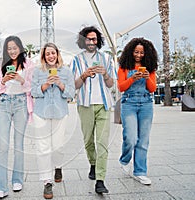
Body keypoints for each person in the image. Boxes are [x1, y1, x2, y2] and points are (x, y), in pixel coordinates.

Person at [70, 26, 116, 194]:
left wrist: (104, 74)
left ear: (98, 41)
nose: (91, 42)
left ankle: (100, 179)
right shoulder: (76, 60)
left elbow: (111, 84)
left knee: (102, 143)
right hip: (85, 105)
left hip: (104, 105)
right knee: (88, 140)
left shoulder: (107, 58)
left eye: (94, 39)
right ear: (83, 41)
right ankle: (93, 163)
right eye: (88, 39)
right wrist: (84, 75)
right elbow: (73, 86)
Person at [0, 36, 35, 199]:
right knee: (3, 145)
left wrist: (20, 79)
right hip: (4, 104)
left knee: (18, 144)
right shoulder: (2, 65)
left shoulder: (28, 64)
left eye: (15, 47)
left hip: (21, 103)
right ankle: (1, 186)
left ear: (20, 48)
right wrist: (3, 81)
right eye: (9, 48)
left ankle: (17, 179)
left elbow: (32, 87)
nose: (12, 51)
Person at [31, 43, 75, 199]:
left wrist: (60, 84)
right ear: (43, 56)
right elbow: (33, 92)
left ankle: (58, 166)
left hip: (60, 113)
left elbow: (71, 93)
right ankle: (47, 182)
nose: (51, 56)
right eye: (47, 54)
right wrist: (45, 85)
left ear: (57, 54)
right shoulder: (37, 71)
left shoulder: (67, 71)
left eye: (53, 53)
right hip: (40, 113)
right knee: (43, 148)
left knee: (57, 146)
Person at [117, 37, 158, 185]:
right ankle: (125, 159)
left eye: (142, 52)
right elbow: (121, 87)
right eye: (136, 52)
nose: (139, 55)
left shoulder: (150, 67)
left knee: (143, 140)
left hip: (146, 103)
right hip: (129, 103)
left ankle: (140, 172)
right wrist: (133, 78)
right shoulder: (123, 67)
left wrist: (147, 78)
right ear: (131, 52)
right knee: (131, 137)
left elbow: (152, 89)